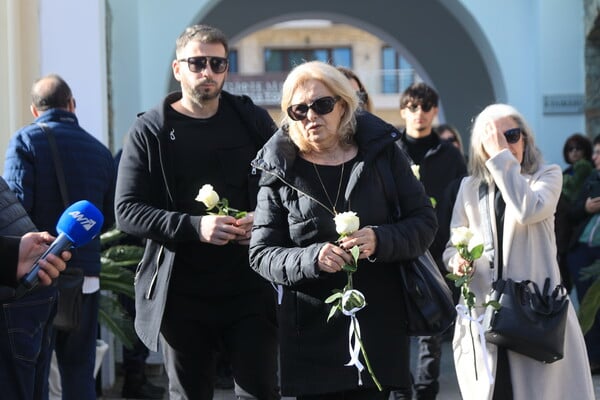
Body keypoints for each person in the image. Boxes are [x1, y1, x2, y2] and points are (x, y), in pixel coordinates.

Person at [249, 60, 437, 399]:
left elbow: (424, 222)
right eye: (299, 110)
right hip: (311, 334)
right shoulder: (278, 171)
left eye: (322, 105)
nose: (311, 116)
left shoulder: (382, 155)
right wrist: (311, 258)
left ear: (343, 105)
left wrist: (381, 238)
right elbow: (261, 253)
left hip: (378, 329)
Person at [114, 24, 279, 400]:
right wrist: (195, 226)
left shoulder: (249, 119)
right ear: (178, 69)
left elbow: (285, 184)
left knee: (262, 392)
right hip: (182, 293)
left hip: (248, 287)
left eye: (217, 63)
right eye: (197, 63)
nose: (208, 72)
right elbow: (127, 211)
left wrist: (262, 220)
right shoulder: (150, 130)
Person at [443, 103, 594, 399]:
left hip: (534, 312)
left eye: (512, 135)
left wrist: (501, 159)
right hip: (484, 313)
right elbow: (452, 246)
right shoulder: (469, 188)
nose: (505, 144)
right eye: (494, 138)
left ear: (526, 138)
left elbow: (528, 209)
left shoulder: (547, 177)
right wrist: (457, 261)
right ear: (480, 147)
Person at [3, 74, 116, 399]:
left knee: (33, 368)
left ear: (35, 111)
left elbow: (14, 208)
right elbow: (106, 217)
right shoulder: (99, 150)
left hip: (37, 276)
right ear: (72, 105)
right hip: (86, 278)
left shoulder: (25, 141)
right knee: (80, 369)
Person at [394, 82, 467, 400]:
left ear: (435, 111)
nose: (419, 114)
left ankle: (425, 393)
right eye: (412, 107)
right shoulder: (389, 148)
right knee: (394, 327)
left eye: (425, 107)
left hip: (436, 251)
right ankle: (400, 391)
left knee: (431, 332)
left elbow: (463, 200)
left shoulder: (449, 154)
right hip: (395, 250)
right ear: (402, 111)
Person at [566, 133, 600, 375]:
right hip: (581, 251)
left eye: (599, 152)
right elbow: (572, 210)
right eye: (595, 151)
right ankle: (591, 358)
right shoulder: (589, 178)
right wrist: (586, 207)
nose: (595, 157)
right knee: (587, 307)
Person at [555, 133, 594, 292]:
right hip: (565, 236)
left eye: (578, 148)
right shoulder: (563, 175)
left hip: (585, 235)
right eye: (571, 149)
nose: (575, 152)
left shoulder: (591, 173)